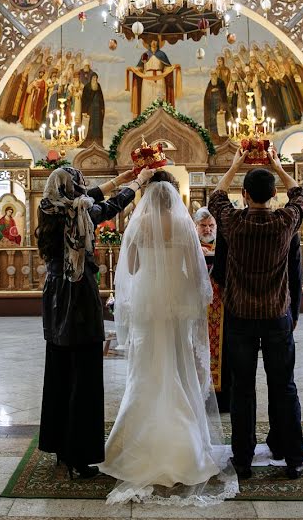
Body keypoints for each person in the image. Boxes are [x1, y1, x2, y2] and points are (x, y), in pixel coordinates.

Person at [100, 173, 237, 505]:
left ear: (147, 194)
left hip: (148, 302)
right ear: (174, 196)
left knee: (147, 369)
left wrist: (151, 263)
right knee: (177, 363)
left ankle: (138, 441)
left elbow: (130, 268)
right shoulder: (183, 224)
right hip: (176, 303)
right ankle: (183, 444)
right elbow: (195, 269)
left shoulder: (138, 222)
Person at [36, 166, 154, 479]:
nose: (83, 191)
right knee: (84, 377)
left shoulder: (48, 207)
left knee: (60, 373)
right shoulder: (78, 216)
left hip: (54, 296)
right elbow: (105, 207)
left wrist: (121, 179)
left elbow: (87, 199)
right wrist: (137, 184)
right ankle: (80, 454)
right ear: (74, 189)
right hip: (77, 296)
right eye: (80, 186)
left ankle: (60, 445)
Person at [208, 146, 303, 481]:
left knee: (242, 389)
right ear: (274, 194)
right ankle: (294, 458)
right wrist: (279, 166)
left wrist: (235, 164)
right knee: (284, 387)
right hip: (278, 315)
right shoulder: (285, 223)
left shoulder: (233, 223)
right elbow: (300, 195)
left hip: (240, 319)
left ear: (245, 194)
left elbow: (216, 196)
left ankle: (243, 460)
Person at [193, 207, 229, 412]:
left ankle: (219, 399)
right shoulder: (189, 245)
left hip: (221, 307)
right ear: (195, 227)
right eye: (203, 226)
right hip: (197, 307)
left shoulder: (223, 245)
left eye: (211, 225)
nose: (207, 229)